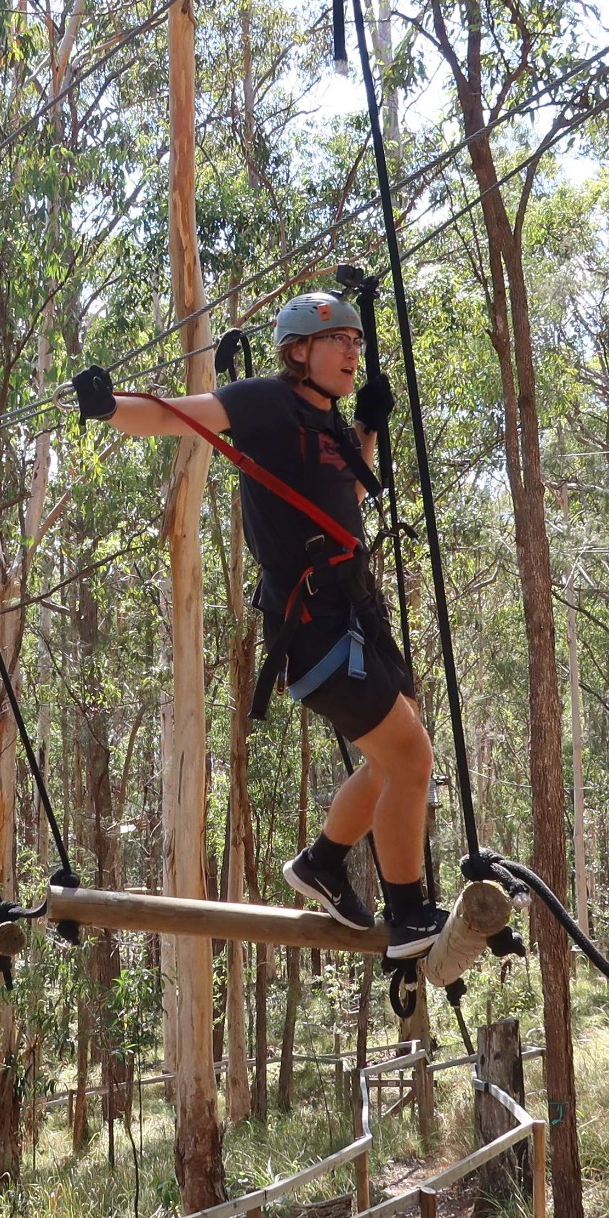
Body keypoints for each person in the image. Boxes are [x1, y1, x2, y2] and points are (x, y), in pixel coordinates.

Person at [71, 291, 448, 961]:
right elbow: (171, 418)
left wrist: (368, 429)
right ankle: (410, 914)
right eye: (341, 341)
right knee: (409, 758)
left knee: (397, 755)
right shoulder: (263, 402)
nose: (352, 354)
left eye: (357, 344)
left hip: (358, 606)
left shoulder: (329, 418)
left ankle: (323, 863)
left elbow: (348, 494)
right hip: (314, 622)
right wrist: (106, 408)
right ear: (300, 349)